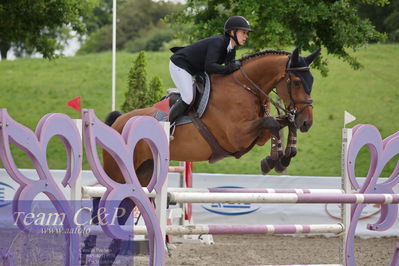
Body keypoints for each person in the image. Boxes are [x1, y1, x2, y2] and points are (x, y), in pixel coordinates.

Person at [168, 15, 253, 124]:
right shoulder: (218, 42)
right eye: (243, 32)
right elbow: (210, 66)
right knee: (188, 98)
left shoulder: (231, 49)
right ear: (232, 32)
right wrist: (228, 68)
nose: (246, 36)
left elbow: (229, 68)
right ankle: (165, 125)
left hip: (195, 69)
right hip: (180, 64)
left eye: (247, 33)